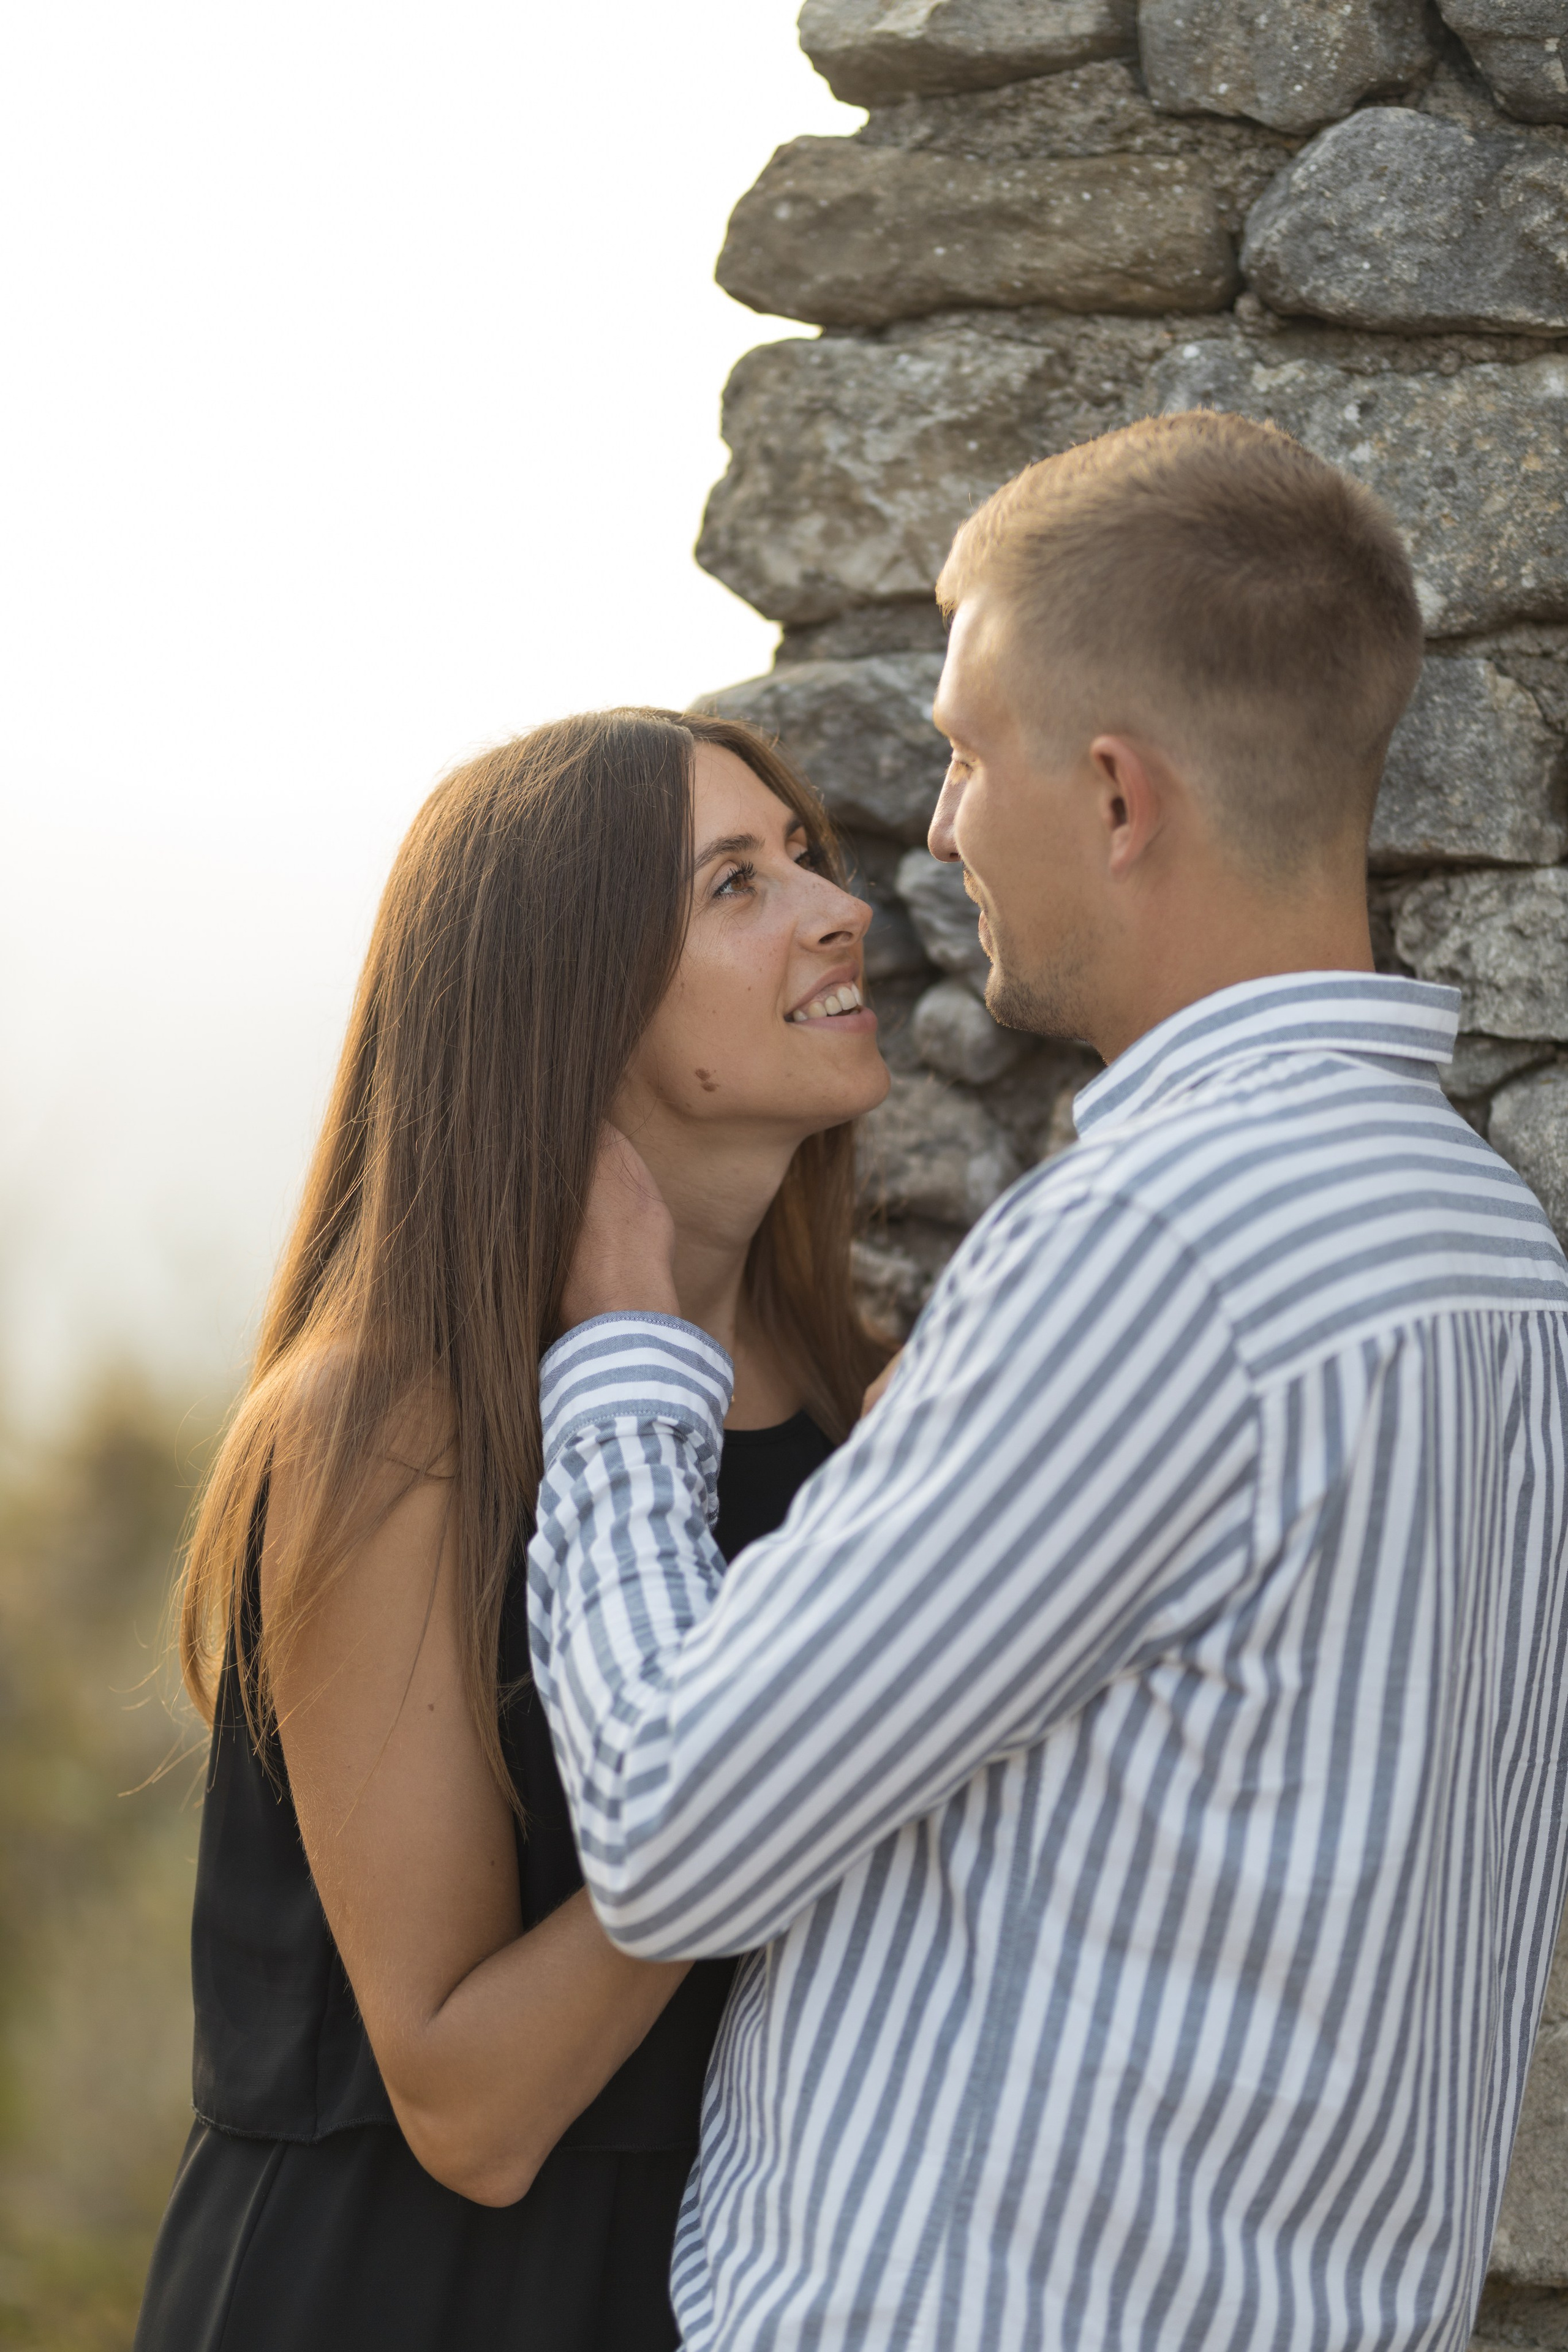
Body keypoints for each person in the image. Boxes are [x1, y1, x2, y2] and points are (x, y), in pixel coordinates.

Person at [528, 413, 1568, 2351]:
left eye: (963, 754)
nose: (933, 829)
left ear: (1113, 798)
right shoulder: (1492, 1249)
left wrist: (620, 1362)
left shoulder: (1160, 1244)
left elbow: (672, 1829)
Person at [133, 708, 891, 2352]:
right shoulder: (382, 1432)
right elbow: (468, 2109)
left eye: (808, 859)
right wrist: (789, 1764)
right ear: (574, 998)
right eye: (733, 884)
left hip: (730, 2288)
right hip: (395, 2293)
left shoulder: (874, 1402)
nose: (842, 909)